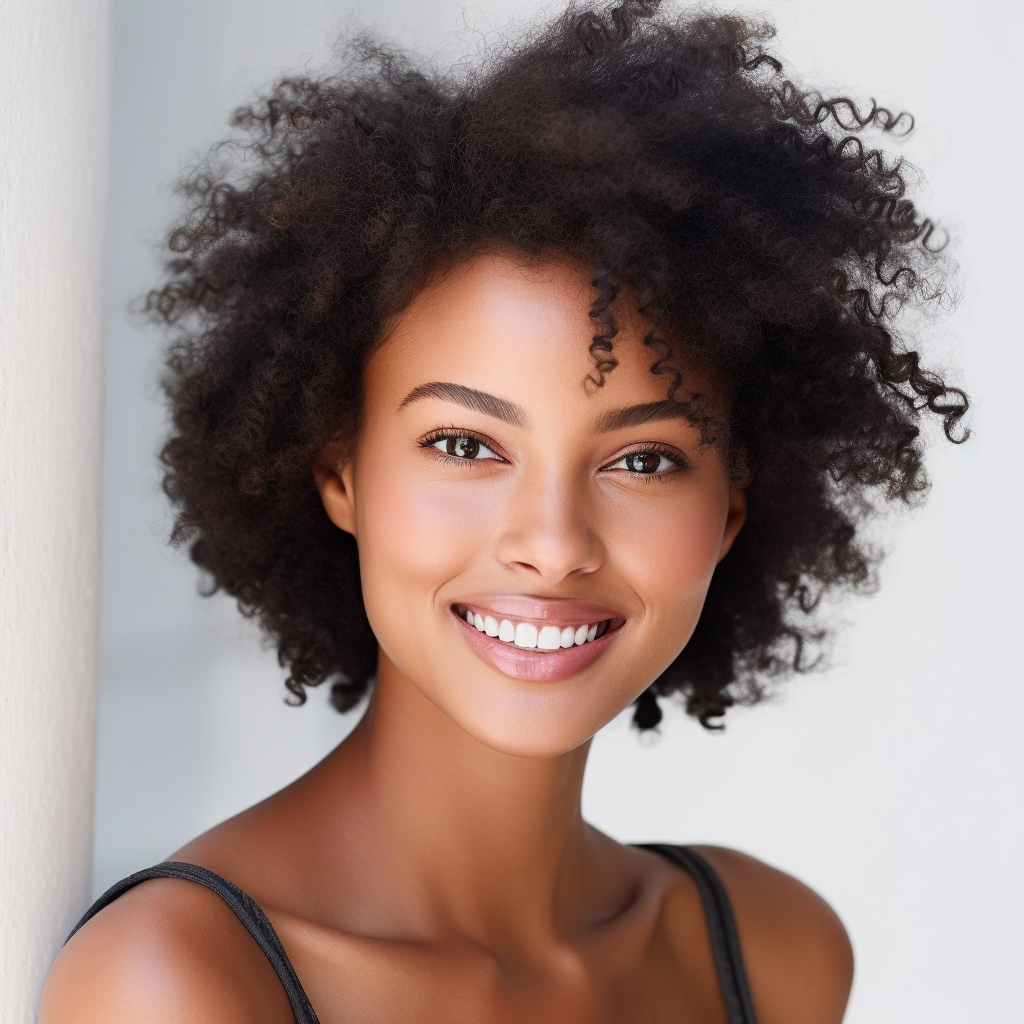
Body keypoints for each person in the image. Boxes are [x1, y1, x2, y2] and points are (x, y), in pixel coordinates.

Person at [40, 1, 968, 1021]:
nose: (552, 544)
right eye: (465, 445)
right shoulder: (179, 985)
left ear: (735, 505)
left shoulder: (772, 950)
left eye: (644, 459)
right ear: (337, 470)